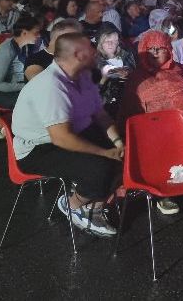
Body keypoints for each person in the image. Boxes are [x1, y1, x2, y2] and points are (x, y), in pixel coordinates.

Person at [12, 32, 122, 237]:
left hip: (67, 134)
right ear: (78, 55)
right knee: (101, 167)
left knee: (124, 154)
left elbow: (99, 114)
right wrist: (105, 153)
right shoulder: (51, 86)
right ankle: (72, 204)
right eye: (90, 49)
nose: (96, 51)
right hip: (37, 148)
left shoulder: (82, 75)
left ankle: (94, 206)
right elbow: (61, 138)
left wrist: (118, 142)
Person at [120, 30, 183, 215]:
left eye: (160, 48)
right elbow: (129, 110)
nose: (155, 52)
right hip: (157, 130)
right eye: (150, 49)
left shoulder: (180, 69)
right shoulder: (137, 77)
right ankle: (164, 191)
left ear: (169, 50)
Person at [0, 15, 41, 111]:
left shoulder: (26, 47)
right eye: (36, 33)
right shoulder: (6, 50)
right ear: (24, 33)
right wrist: (25, 86)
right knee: (35, 100)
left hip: (17, 86)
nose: (39, 35)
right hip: (1, 92)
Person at [95, 24, 136, 115]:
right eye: (107, 41)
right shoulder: (96, 62)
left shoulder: (127, 54)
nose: (110, 44)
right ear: (101, 43)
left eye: (113, 40)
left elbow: (134, 70)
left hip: (131, 96)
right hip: (108, 104)